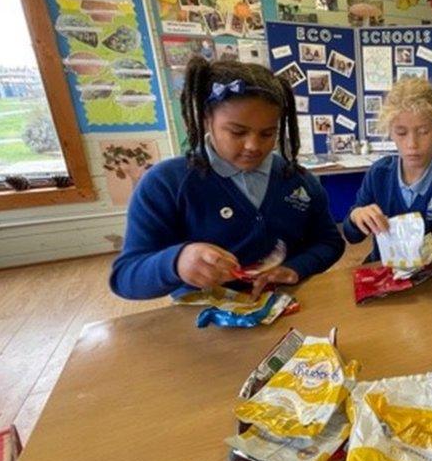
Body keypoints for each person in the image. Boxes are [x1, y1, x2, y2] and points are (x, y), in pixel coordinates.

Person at [110, 57, 344, 300]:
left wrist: (297, 268)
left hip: (287, 305)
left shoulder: (298, 179)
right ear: (205, 120)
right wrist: (176, 262)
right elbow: (126, 277)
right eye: (237, 132)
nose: (253, 146)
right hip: (206, 318)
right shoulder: (165, 183)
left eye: (267, 133)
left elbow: (329, 242)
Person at [342, 77, 432, 309]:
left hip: (429, 285)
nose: (412, 144)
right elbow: (352, 236)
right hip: (384, 279)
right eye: (401, 132)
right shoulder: (379, 174)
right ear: (390, 132)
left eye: (423, 131)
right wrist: (356, 215)